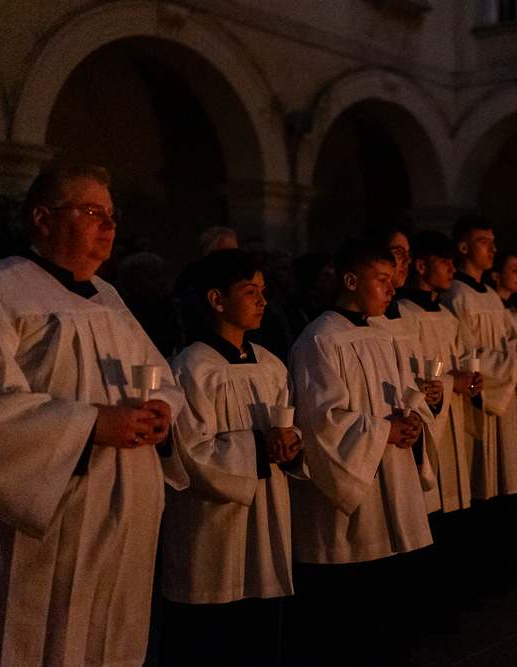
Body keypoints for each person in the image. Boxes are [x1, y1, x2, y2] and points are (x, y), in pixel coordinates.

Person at [0, 165, 187, 667]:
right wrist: (91, 424)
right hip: (50, 521)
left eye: (111, 213)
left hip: (121, 515)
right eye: (90, 211)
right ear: (43, 219)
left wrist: (163, 410)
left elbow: (160, 377)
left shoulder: (109, 297)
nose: (108, 224)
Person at [288, 239, 431, 665]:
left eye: (392, 280)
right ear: (350, 281)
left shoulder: (381, 336)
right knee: (345, 615)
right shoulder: (320, 340)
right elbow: (321, 421)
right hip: (353, 499)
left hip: (392, 483)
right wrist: (384, 431)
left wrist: (414, 421)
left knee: (385, 604)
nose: (392, 289)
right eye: (382, 280)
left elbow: (408, 395)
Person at [159, 249, 302, 667]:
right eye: (249, 291)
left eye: (263, 291)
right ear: (216, 299)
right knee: (210, 636)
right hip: (213, 525)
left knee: (257, 631)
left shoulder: (272, 366)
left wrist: (291, 445)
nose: (262, 301)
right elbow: (190, 452)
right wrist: (259, 446)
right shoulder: (192, 367)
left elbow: (288, 427)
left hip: (267, 513)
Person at [440, 215, 517, 596]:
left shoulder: (491, 296)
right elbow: (464, 354)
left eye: (494, 242)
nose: (493, 248)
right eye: (484, 242)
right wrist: (511, 362)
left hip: (502, 402)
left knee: (503, 488)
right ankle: (474, 580)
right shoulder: (455, 296)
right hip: (478, 403)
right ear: (463, 247)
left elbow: (510, 340)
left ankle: (501, 572)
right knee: (479, 487)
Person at [396, 230, 481, 631]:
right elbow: (408, 378)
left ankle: (451, 601)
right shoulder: (403, 315)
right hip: (427, 426)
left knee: (452, 519)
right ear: (420, 266)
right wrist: (450, 384)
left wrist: (471, 379)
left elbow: (462, 359)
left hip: (452, 424)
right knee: (429, 517)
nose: (452, 268)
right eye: (444, 261)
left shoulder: (447, 316)